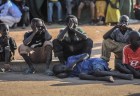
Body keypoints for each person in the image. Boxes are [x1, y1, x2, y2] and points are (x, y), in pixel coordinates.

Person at [53, 53, 133, 82]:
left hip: (96, 62)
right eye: (63, 71)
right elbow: (60, 76)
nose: (65, 69)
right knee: (81, 75)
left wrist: (74, 63)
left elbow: (86, 55)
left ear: (63, 64)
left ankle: (122, 75)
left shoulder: (70, 59)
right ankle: (105, 78)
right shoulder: (69, 73)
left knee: (96, 72)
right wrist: (65, 71)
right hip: (91, 71)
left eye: (63, 67)